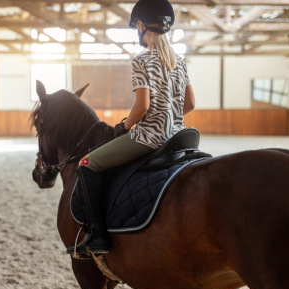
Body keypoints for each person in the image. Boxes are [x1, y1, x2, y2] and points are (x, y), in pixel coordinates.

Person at [67, 0, 196, 255]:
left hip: (149, 137)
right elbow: (191, 103)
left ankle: (98, 236)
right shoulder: (179, 62)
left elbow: (142, 106)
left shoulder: (141, 60)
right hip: (177, 136)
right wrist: (169, 115)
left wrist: (124, 126)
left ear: (140, 25)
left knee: (87, 164)